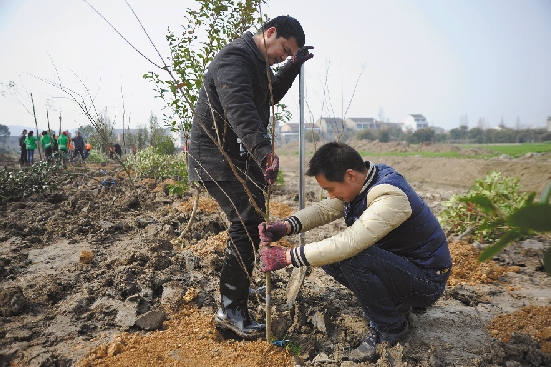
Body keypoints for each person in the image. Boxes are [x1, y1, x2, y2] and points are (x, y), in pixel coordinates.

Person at [258, 142, 452, 361]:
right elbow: (325, 210)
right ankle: (394, 303)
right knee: (328, 257)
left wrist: (286, 257)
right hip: (406, 268)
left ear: (350, 175)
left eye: (330, 188)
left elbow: (350, 242)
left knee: (352, 257)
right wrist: (287, 226)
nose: (330, 196)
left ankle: (390, 327)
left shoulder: (389, 196)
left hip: (427, 281)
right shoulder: (364, 182)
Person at [187, 15, 314, 340]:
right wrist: (263, 153)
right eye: (283, 50)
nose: (281, 57)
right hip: (215, 156)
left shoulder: (256, 63)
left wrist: (293, 66)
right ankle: (230, 311)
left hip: (236, 158)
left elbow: (269, 94)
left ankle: (239, 292)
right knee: (245, 225)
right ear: (269, 33)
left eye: (287, 55)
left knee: (254, 218)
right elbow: (239, 107)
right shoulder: (236, 57)